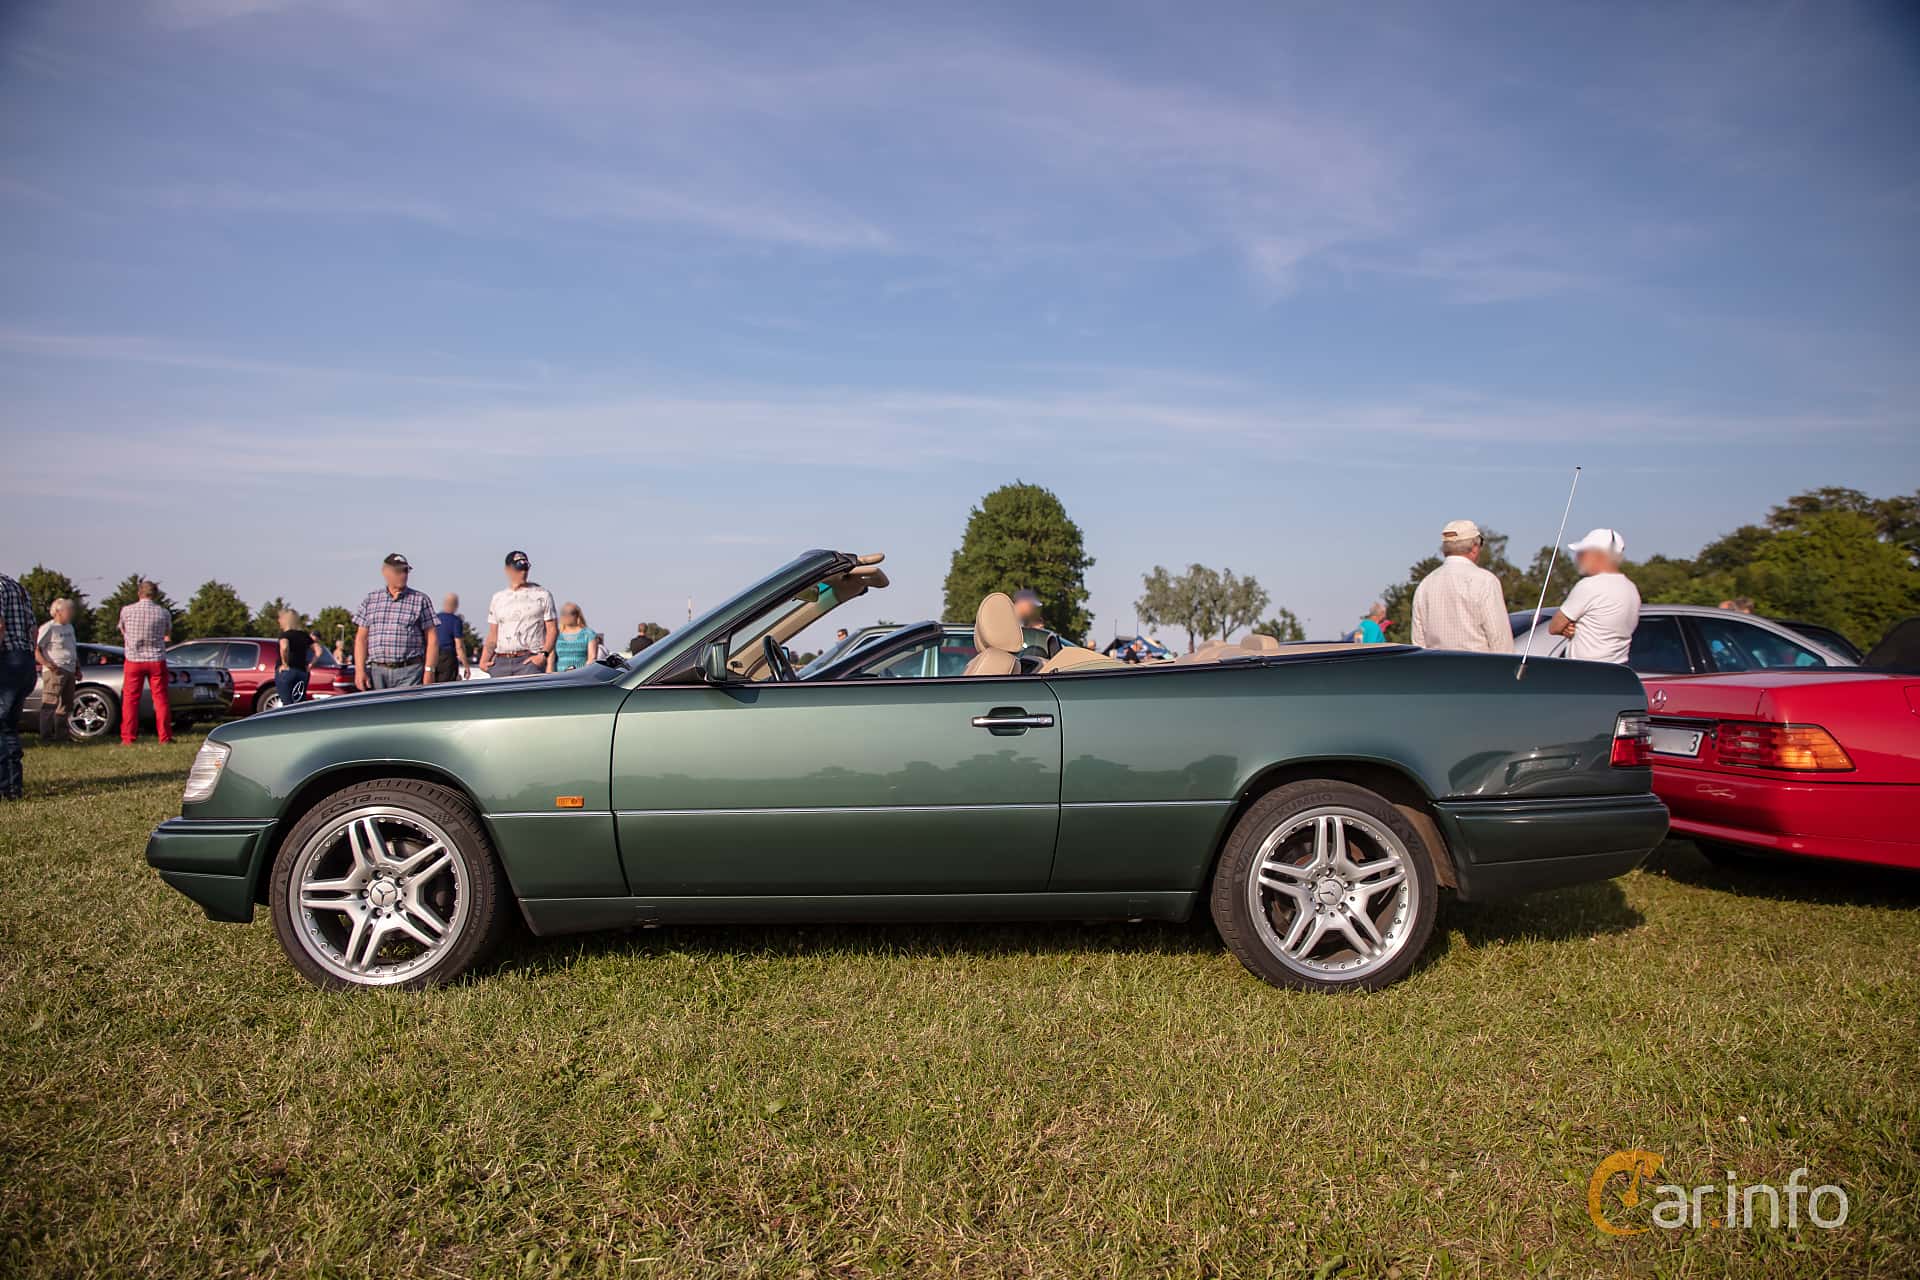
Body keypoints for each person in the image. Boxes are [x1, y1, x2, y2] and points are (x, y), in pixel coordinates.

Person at [1410, 519, 1514, 654]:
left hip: (1436, 671)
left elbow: (1419, 642)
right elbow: (1499, 639)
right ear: (1475, 548)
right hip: (1477, 670)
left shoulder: (1425, 585)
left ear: (1444, 550)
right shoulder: (1485, 581)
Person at [1550, 528, 1642, 664]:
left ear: (1599, 554)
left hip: (1586, 673)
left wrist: (1567, 627)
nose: (1578, 558)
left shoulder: (1589, 586)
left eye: (1582, 553)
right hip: (1618, 672)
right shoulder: (1631, 589)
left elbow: (1554, 626)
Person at [352, 553, 439, 690]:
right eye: (398, 571)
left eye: (406, 571)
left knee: (406, 711)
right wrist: (360, 670)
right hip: (377, 671)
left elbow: (432, 639)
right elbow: (361, 639)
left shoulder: (420, 600)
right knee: (379, 710)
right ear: (385, 572)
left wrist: (429, 670)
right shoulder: (371, 600)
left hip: (410, 670)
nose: (403, 575)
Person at [481, 550, 557, 677]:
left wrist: (543, 655)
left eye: (525, 568)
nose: (523, 572)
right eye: (518, 569)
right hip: (501, 661)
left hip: (529, 659)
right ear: (508, 570)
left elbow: (552, 629)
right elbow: (493, 634)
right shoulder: (498, 598)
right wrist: (484, 659)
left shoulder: (542, 595)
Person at [118, 580, 174, 743]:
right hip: (156, 659)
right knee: (161, 698)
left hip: (134, 659)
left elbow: (123, 630)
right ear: (155, 594)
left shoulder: (127, 611)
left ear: (139, 593)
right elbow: (167, 633)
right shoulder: (163, 613)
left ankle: (128, 736)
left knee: (130, 699)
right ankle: (165, 736)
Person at [0, 573, 36, 799]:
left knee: (2, 725)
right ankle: (12, 785)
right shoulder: (17, 587)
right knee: (8, 726)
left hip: (6, 659)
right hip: (24, 659)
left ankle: (7, 787)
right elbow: (34, 629)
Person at [35, 597, 79, 742]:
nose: (71, 613)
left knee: (66, 704)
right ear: (58, 612)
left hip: (70, 668)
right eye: (68, 610)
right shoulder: (49, 628)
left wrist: (77, 667)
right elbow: (36, 648)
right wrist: (47, 664)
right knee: (50, 703)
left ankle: (62, 735)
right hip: (55, 670)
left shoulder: (70, 627)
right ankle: (46, 736)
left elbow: (72, 648)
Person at [274, 608, 315, 707]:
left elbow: (284, 647)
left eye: (280, 619)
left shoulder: (285, 635)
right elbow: (318, 650)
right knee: (299, 703)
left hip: (287, 672)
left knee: (287, 703)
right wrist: (311, 664)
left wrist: (285, 664)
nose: (278, 621)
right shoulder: (304, 635)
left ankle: (287, 722)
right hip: (302, 672)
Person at [432, 593, 470, 684]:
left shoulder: (434, 618)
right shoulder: (455, 621)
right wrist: (466, 665)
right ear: (456, 605)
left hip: (433, 655)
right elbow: (459, 646)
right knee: (446, 687)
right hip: (448, 658)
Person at [554, 602, 601, 670]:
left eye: (571, 612)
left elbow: (592, 658)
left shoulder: (589, 634)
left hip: (580, 676)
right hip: (560, 677)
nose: (567, 615)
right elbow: (551, 658)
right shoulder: (556, 634)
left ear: (578, 615)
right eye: (563, 613)